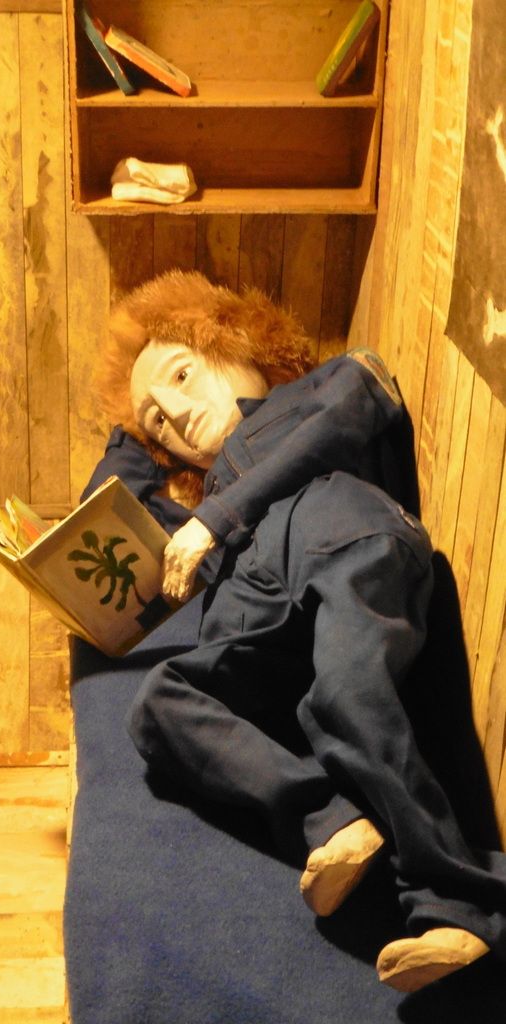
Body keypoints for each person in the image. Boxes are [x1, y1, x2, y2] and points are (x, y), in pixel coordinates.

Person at [83, 270, 506, 992]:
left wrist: (216, 519)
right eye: (159, 424)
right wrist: (134, 432)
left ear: (237, 342)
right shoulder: (201, 505)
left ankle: (457, 905)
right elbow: (101, 509)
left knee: (346, 696)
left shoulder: (320, 390)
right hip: (259, 603)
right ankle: (332, 820)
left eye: (182, 375)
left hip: (343, 541)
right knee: (161, 703)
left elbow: (361, 405)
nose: (176, 414)